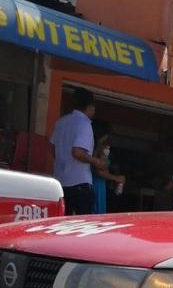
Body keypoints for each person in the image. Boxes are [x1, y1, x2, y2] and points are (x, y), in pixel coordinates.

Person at [50, 88, 106, 216]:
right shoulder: (84, 124)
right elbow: (77, 152)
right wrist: (97, 162)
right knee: (81, 225)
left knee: (62, 223)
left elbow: (52, 148)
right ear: (90, 106)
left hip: (60, 183)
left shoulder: (61, 122)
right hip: (79, 183)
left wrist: (62, 161)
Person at [90, 121, 125, 215]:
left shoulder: (97, 147)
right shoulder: (99, 148)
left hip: (98, 183)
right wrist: (116, 178)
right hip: (97, 184)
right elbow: (100, 171)